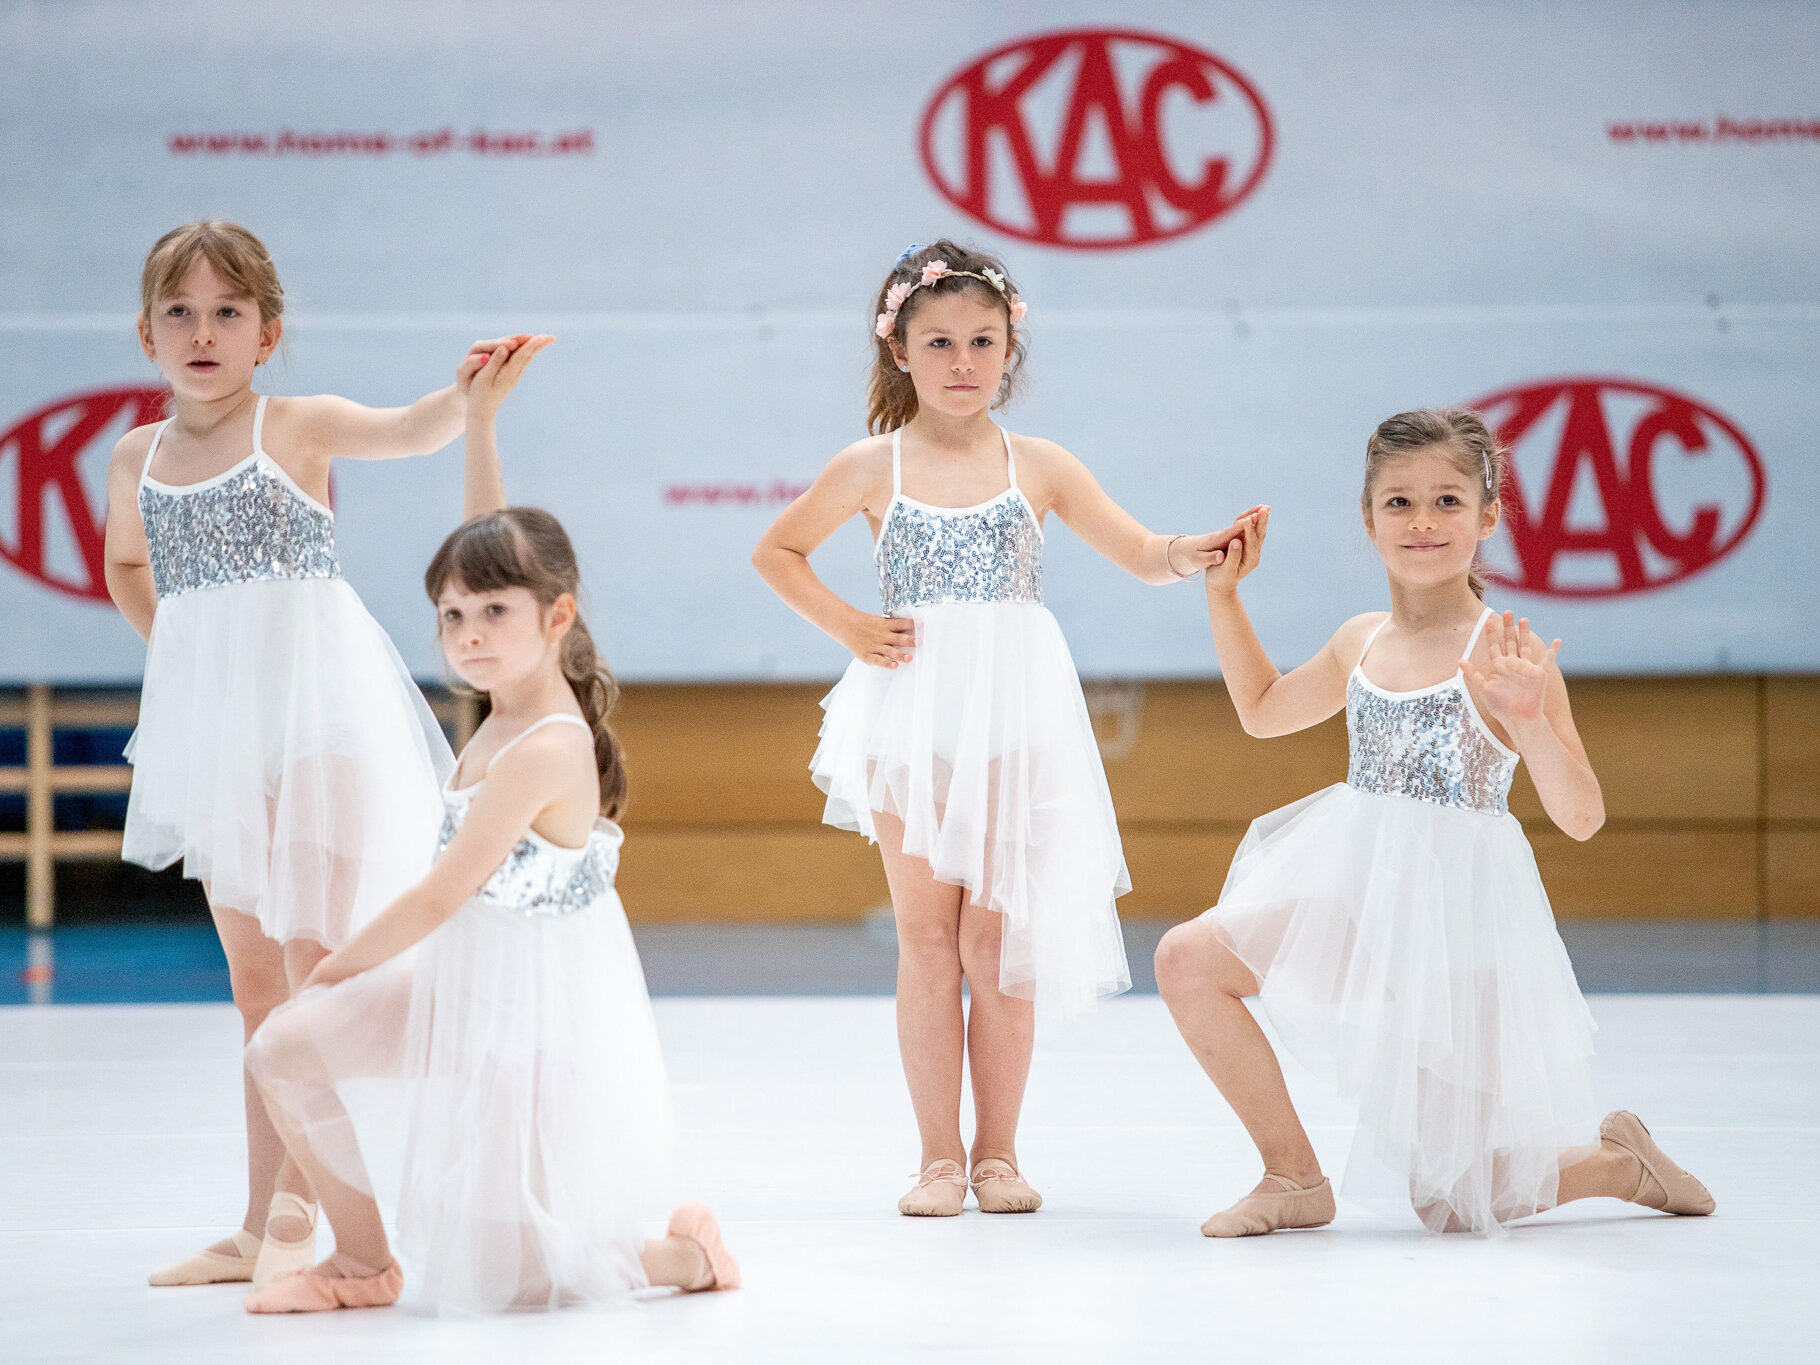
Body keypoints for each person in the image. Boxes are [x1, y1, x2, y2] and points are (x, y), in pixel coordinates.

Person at [753, 240, 1254, 1217]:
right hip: (911, 722)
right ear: (898, 349)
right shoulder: (872, 465)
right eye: (938, 342)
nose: (962, 361)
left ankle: (998, 1155)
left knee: (994, 946)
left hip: (1014, 723)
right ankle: (937, 1158)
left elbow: (1140, 552)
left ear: (1009, 347)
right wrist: (850, 625)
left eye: (982, 341)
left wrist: (1191, 552)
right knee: (926, 940)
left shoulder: (1041, 465)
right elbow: (777, 551)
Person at [104, 219, 543, 1286]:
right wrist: (188, 662)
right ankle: (268, 1224)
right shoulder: (136, 457)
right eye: (179, 313)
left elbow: (412, 428)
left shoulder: (293, 426)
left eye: (227, 313)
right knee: (257, 984)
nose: (202, 334)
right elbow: (127, 565)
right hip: (220, 737)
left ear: (267, 334)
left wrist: (467, 399)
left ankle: (341, 1229)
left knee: (314, 978)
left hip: (319, 726)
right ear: (146, 333)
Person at [1154, 408, 1715, 1236]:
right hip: (1358, 905)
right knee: (1187, 959)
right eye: (1400, 502)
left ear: (1488, 517)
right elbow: (1263, 709)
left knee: (1450, 1202)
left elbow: (1583, 816)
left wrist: (1529, 720)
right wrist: (1224, 594)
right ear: (1368, 519)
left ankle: (1619, 1162)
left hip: (1458, 940)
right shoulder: (1359, 640)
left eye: (1448, 500)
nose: (1423, 521)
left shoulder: (1507, 653)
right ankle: (1293, 1176)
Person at [240, 387, 735, 1313]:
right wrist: (481, 422)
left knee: (518, 1281)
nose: (469, 635)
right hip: (458, 990)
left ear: (558, 616)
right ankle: (362, 1261)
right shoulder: (504, 703)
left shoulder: (546, 743)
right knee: (283, 1049)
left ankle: (678, 1257)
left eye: (493, 613)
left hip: (525, 1024)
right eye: (451, 616)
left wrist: (336, 967)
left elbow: (439, 896)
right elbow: (486, 540)